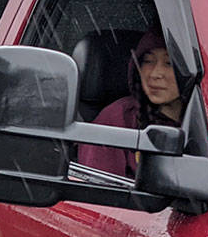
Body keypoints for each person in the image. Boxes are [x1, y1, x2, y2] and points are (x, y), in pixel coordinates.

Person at [78, 29, 183, 179]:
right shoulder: (118, 119)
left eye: (169, 63)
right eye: (148, 61)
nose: (155, 74)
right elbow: (98, 194)